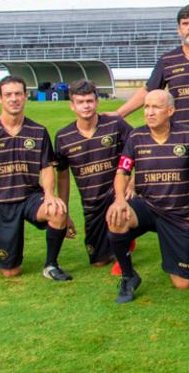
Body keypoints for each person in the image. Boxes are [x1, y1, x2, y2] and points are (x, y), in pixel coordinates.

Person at [0, 75, 72, 281]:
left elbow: (46, 167)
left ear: (26, 97)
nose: (14, 99)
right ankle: (10, 258)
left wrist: (49, 195)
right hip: (1, 202)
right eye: (8, 95)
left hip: (30, 196)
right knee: (11, 272)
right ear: (0, 99)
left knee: (57, 210)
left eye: (18, 94)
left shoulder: (38, 132)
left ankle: (51, 265)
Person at [106, 90, 189, 303]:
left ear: (170, 110)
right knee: (116, 217)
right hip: (147, 206)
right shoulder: (136, 137)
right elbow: (123, 171)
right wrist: (120, 199)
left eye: (155, 107)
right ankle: (128, 276)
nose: (149, 112)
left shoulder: (187, 136)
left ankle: (187, 263)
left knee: (184, 284)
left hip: (178, 212)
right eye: (147, 107)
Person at [54, 79, 132, 270]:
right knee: (98, 261)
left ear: (97, 102)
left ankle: (127, 239)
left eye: (89, 101)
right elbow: (62, 176)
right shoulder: (63, 137)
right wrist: (64, 212)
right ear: (72, 106)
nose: (86, 106)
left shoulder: (115, 125)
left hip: (117, 196)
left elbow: (138, 149)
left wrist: (132, 184)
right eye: (80, 102)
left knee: (120, 233)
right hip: (91, 204)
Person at [114, 4, 189, 134]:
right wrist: (119, 113)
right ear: (179, 29)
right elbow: (149, 90)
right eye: (185, 24)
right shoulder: (168, 60)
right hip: (180, 134)